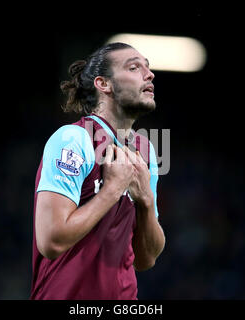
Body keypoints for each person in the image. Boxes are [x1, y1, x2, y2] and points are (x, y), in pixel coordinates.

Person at [30, 42, 165, 300]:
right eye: (134, 67)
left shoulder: (144, 151)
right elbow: (51, 241)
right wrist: (112, 189)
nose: (149, 74)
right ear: (104, 84)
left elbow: (146, 259)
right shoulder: (73, 139)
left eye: (148, 67)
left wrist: (146, 200)